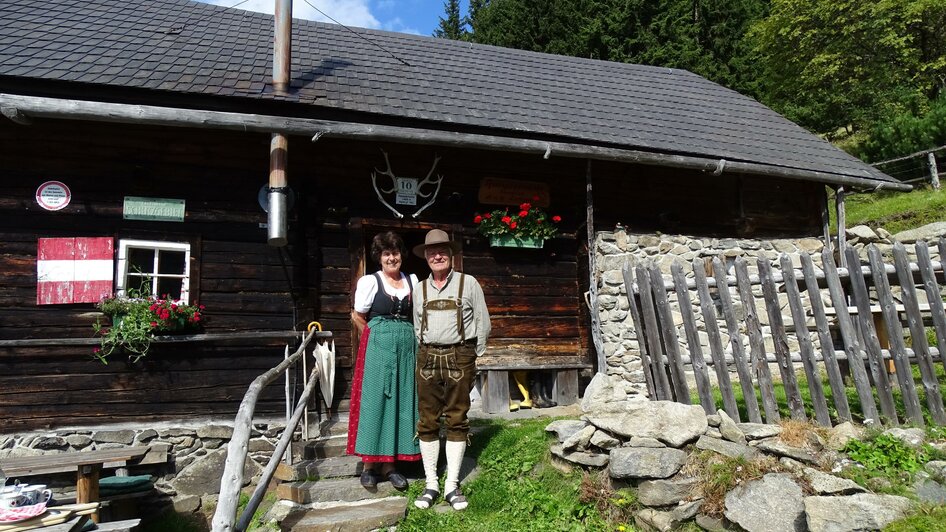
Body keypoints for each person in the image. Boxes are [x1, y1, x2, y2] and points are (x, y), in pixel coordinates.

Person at [411, 229, 491, 511]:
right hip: (427, 356)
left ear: (451, 254)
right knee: (428, 419)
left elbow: (483, 322)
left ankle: (451, 485)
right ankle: (431, 482)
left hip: (461, 355)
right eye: (432, 252)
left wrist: (474, 354)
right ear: (426, 257)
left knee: (457, 417)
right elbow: (416, 325)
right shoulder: (419, 288)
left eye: (442, 250)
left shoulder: (468, 283)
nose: (437, 255)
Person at [346, 231, 420, 491]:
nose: (392, 258)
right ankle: (369, 465)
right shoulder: (370, 281)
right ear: (379, 257)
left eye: (396, 252)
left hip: (406, 349)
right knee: (375, 400)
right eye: (387, 253)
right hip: (378, 348)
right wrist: (374, 335)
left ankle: (390, 466)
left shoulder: (412, 280)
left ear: (402, 255)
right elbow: (357, 314)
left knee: (401, 402)